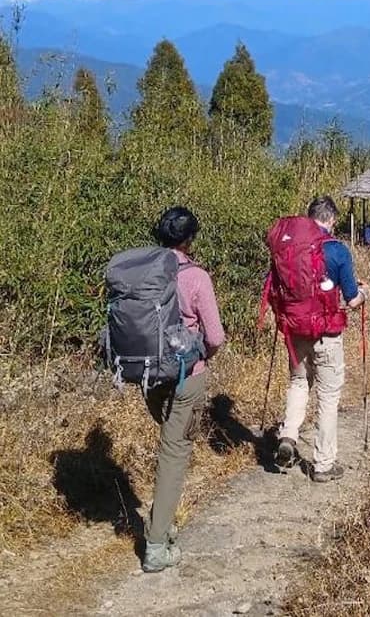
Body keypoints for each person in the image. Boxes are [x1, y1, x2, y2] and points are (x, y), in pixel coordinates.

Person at [143, 207, 226, 573]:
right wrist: (200, 357)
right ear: (190, 239)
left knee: (168, 444)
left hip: (148, 375)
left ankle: (161, 521)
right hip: (185, 375)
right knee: (174, 455)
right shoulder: (196, 277)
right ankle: (157, 545)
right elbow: (216, 337)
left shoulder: (143, 271)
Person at [274, 196, 367, 482]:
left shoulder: (287, 246)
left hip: (294, 331)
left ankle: (288, 435)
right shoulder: (337, 250)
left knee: (299, 382)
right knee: (328, 397)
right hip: (327, 334)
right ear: (331, 219)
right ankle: (324, 464)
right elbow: (351, 300)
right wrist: (365, 294)